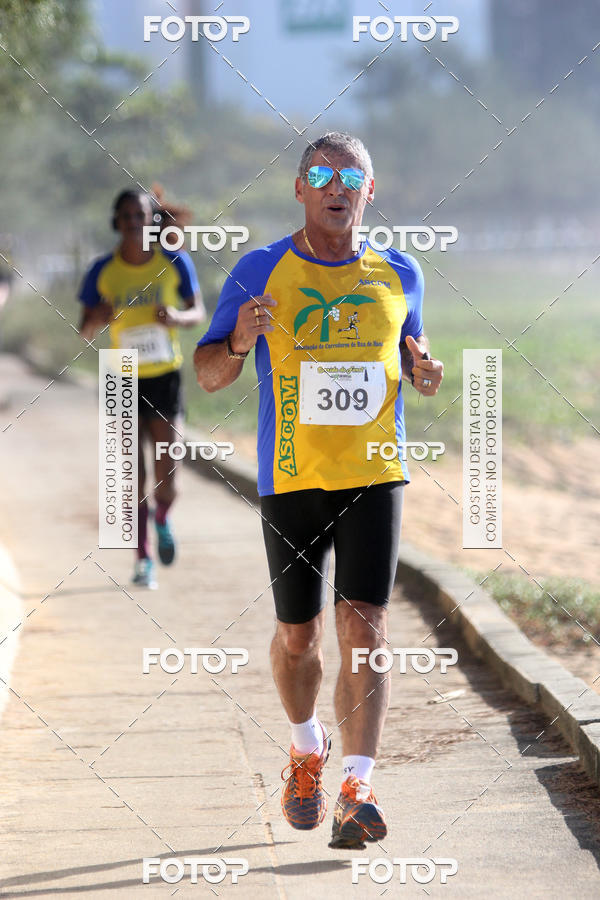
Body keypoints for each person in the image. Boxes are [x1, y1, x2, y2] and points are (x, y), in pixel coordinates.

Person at [193, 132, 443, 849]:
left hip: (374, 476)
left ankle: (357, 787)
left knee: (365, 628)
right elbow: (209, 375)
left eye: (350, 177)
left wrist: (426, 373)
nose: (337, 188)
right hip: (293, 479)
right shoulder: (260, 269)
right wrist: (238, 341)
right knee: (298, 640)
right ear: (299, 190)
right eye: (322, 175)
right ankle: (307, 748)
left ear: (371, 191)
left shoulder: (400, 273)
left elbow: (415, 352)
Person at [78, 189, 206, 589]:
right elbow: (83, 332)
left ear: (153, 221)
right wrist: (97, 317)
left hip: (165, 376)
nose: (135, 222)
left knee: (169, 478)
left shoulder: (174, 263)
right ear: (116, 221)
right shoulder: (102, 270)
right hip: (122, 374)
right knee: (131, 477)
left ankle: (163, 519)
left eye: (142, 215)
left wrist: (177, 318)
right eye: (127, 215)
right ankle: (142, 560)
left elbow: (198, 312)